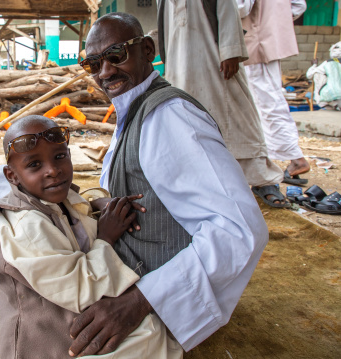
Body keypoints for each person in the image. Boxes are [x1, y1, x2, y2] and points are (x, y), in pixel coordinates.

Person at [66, 13, 268, 356]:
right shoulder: (136, 108)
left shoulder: (170, 117)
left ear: (147, 50)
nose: (105, 72)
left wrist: (141, 301)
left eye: (116, 55)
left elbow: (239, 230)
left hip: (156, 301)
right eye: (93, 63)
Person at [0, 115, 183, 358]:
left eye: (60, 157)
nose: (53, 171)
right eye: (35, 165)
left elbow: (76, 214)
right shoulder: (27, 225)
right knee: (147, 336)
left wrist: (98, 204)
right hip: (39, 330)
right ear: (12, 176)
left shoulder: (50, 195)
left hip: (65, 301)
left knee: (150, 327)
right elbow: (80, 288)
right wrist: (106, 238)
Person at [157, 0, 288, 207]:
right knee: (189, 121)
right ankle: (203, 182)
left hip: (214, 57)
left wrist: (230, 49)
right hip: (180, 64)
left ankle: (262, 180)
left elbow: (226, 6)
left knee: (236, 115)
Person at [240, 0, 310, 186]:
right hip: (270, 39)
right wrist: (274, 21)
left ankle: (295, 158)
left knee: (266, 103)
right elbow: (298, 6)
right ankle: (276, 157)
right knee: (269, 100)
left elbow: (241, 7)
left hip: (254, 41)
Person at [307, 41, 341, 111]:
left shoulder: (328, 63)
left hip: (330, 96)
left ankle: (324, 101)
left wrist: (314, 65)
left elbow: (309, 75)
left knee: (317, 74)